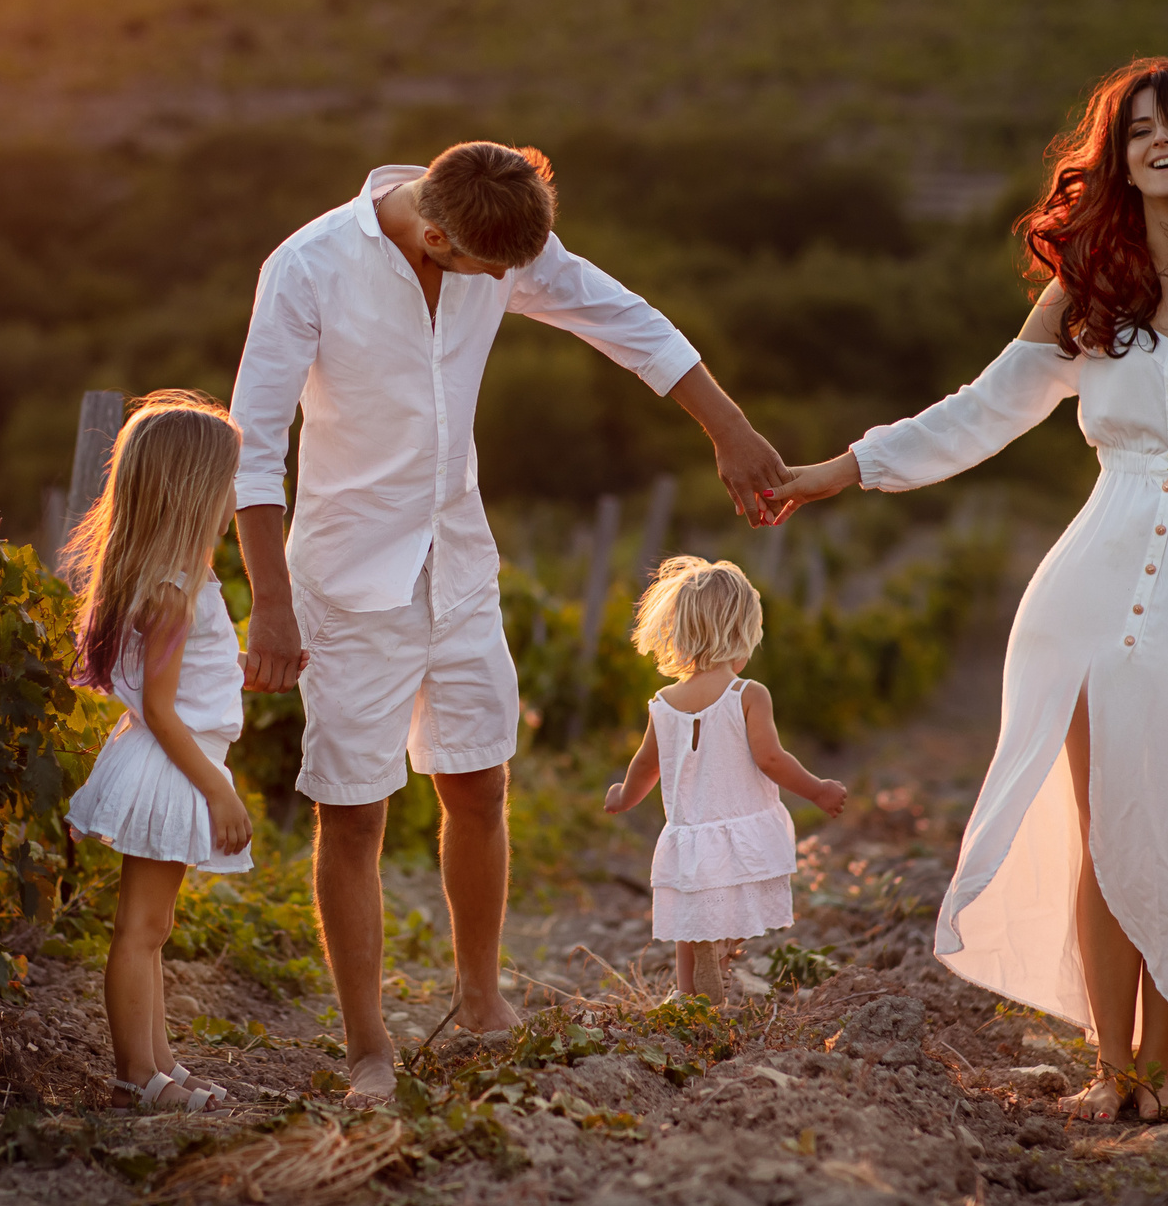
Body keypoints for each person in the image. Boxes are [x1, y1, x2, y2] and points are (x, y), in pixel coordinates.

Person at [771, 57, 1168, 1121]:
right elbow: (978, 413)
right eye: (1139, 129)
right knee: (1107, 826)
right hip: (1087, 585)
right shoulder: (1087, 292)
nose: (1161, 141)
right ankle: (1114, 1077)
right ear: (1114, 156)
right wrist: (841, 469)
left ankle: (1160, 1070)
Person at [231, 140, 792, 1102]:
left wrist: (729, 429)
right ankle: (368, 1048)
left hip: (460, 564)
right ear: (437, 234)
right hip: (346, 578)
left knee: (480, 784)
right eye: (494, 273)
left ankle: (480, 1003)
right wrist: (270, 609)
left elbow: (628, 322)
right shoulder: (309, 266)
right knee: (353, 809)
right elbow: (253, 442)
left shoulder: (502, 240)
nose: (509, 285)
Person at [63, 391, 257, 1114]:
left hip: (172, 758)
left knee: (153, 928)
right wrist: (219, 790)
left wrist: (240, 666)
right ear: (196, 490)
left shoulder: (181, 582)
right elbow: (159, 708)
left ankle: (158, 1065)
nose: (236, 498)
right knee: (139, 929)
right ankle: (133, 1077)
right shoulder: (176, 590)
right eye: (229, 482)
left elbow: (176, 682)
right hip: (173, 764)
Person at [603, 557, 848, 1000]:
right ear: (741, 632)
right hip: (739, 829)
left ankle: (686, 994)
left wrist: (623, 796)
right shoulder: (748, 694)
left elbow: (646, 765)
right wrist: (818, 790)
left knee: (689, 915)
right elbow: (771, 759)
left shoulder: (663, 703)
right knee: (732, 905)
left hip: (690, 834)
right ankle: (718, 955)